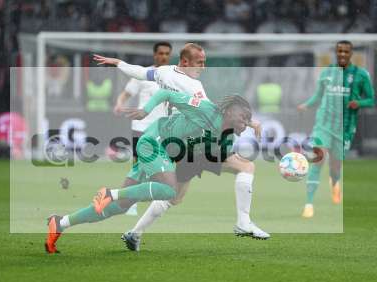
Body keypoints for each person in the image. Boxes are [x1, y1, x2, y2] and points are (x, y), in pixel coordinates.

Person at [94, 43, 269, 252]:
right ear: (185, 61)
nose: (203, 67)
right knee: (247, 167)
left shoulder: (164, 72)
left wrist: (119, 63)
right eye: (200, 63)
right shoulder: (194, 87)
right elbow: (215, 112)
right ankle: (243, 222)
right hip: (197, 140)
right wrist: (250, 122)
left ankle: (134, 233)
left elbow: (141, 73)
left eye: (204, 63)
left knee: (174, 197)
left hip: (178, 141)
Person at [45, 90, 253, 254]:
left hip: (164, 156)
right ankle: (111, 192)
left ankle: (61, 222)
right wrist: (146, 109)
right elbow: (167, 94)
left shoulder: (227, 141)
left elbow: (200, 155)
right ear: (228, 112)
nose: (246, 122)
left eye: (249, 119)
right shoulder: (205, 109)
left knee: (119, 207)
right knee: (169, 190)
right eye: (243, 116)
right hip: (154, 141)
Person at [297, 40, 374, 218]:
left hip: (344, 128)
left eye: (346, 52)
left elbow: (371, 99)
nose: (342, 55)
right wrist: (306, 105)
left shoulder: (361, 75)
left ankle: (335, 182)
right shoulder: (327, 73)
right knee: (318, 160)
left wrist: (359, 103)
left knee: (335, 166)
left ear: (351, 53)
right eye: (339, 51)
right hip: (323, 125)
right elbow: (317, 96)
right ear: (336, 52)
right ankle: (308, 204)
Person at [113, 41, 172, 215]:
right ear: (155, 55)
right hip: (141, 126)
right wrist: (119, 103)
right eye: (160, 53)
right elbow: (127, 93)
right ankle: (131, 203)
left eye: (167, 53)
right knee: (138, 165)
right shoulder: (143, 74)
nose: (164, 56)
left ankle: (157, 200)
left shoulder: (173, 76)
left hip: (162, 130)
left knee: (161, 166)